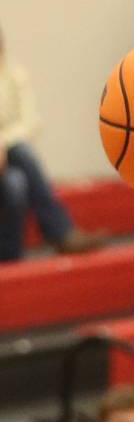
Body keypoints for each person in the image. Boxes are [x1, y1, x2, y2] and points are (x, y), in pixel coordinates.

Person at [0, 24, 103, 262]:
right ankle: (61, 232)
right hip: (12, 153)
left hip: (9, 157)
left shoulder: (13, 73)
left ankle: (11, 258)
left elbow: (30, 121)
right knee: (23, 157)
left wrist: (2, 144)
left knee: (17, 182)